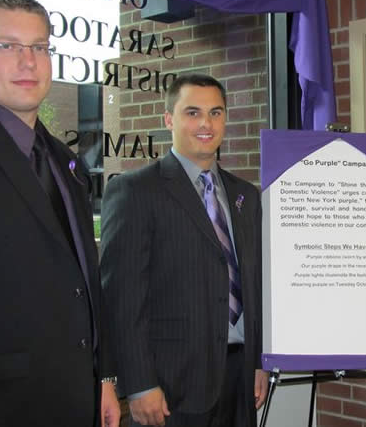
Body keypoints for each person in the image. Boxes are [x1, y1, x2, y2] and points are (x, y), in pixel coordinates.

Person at [0, 0, 119, 426]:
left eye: (40, 47)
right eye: (8, 46)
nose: (29, 61)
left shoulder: (64, 160)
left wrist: (103, 377)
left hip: (76, 397)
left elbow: (83, 279)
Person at [100, 73, 268, 427]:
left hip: (239, 379)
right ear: (168, 120)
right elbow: (122, 299)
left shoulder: (246, 196)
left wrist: (257, 362)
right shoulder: (136, 192)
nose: (206, 123)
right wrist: (139, 383)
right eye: (192, 112)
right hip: (171, 385)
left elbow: (253, 287)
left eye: (216, 112)